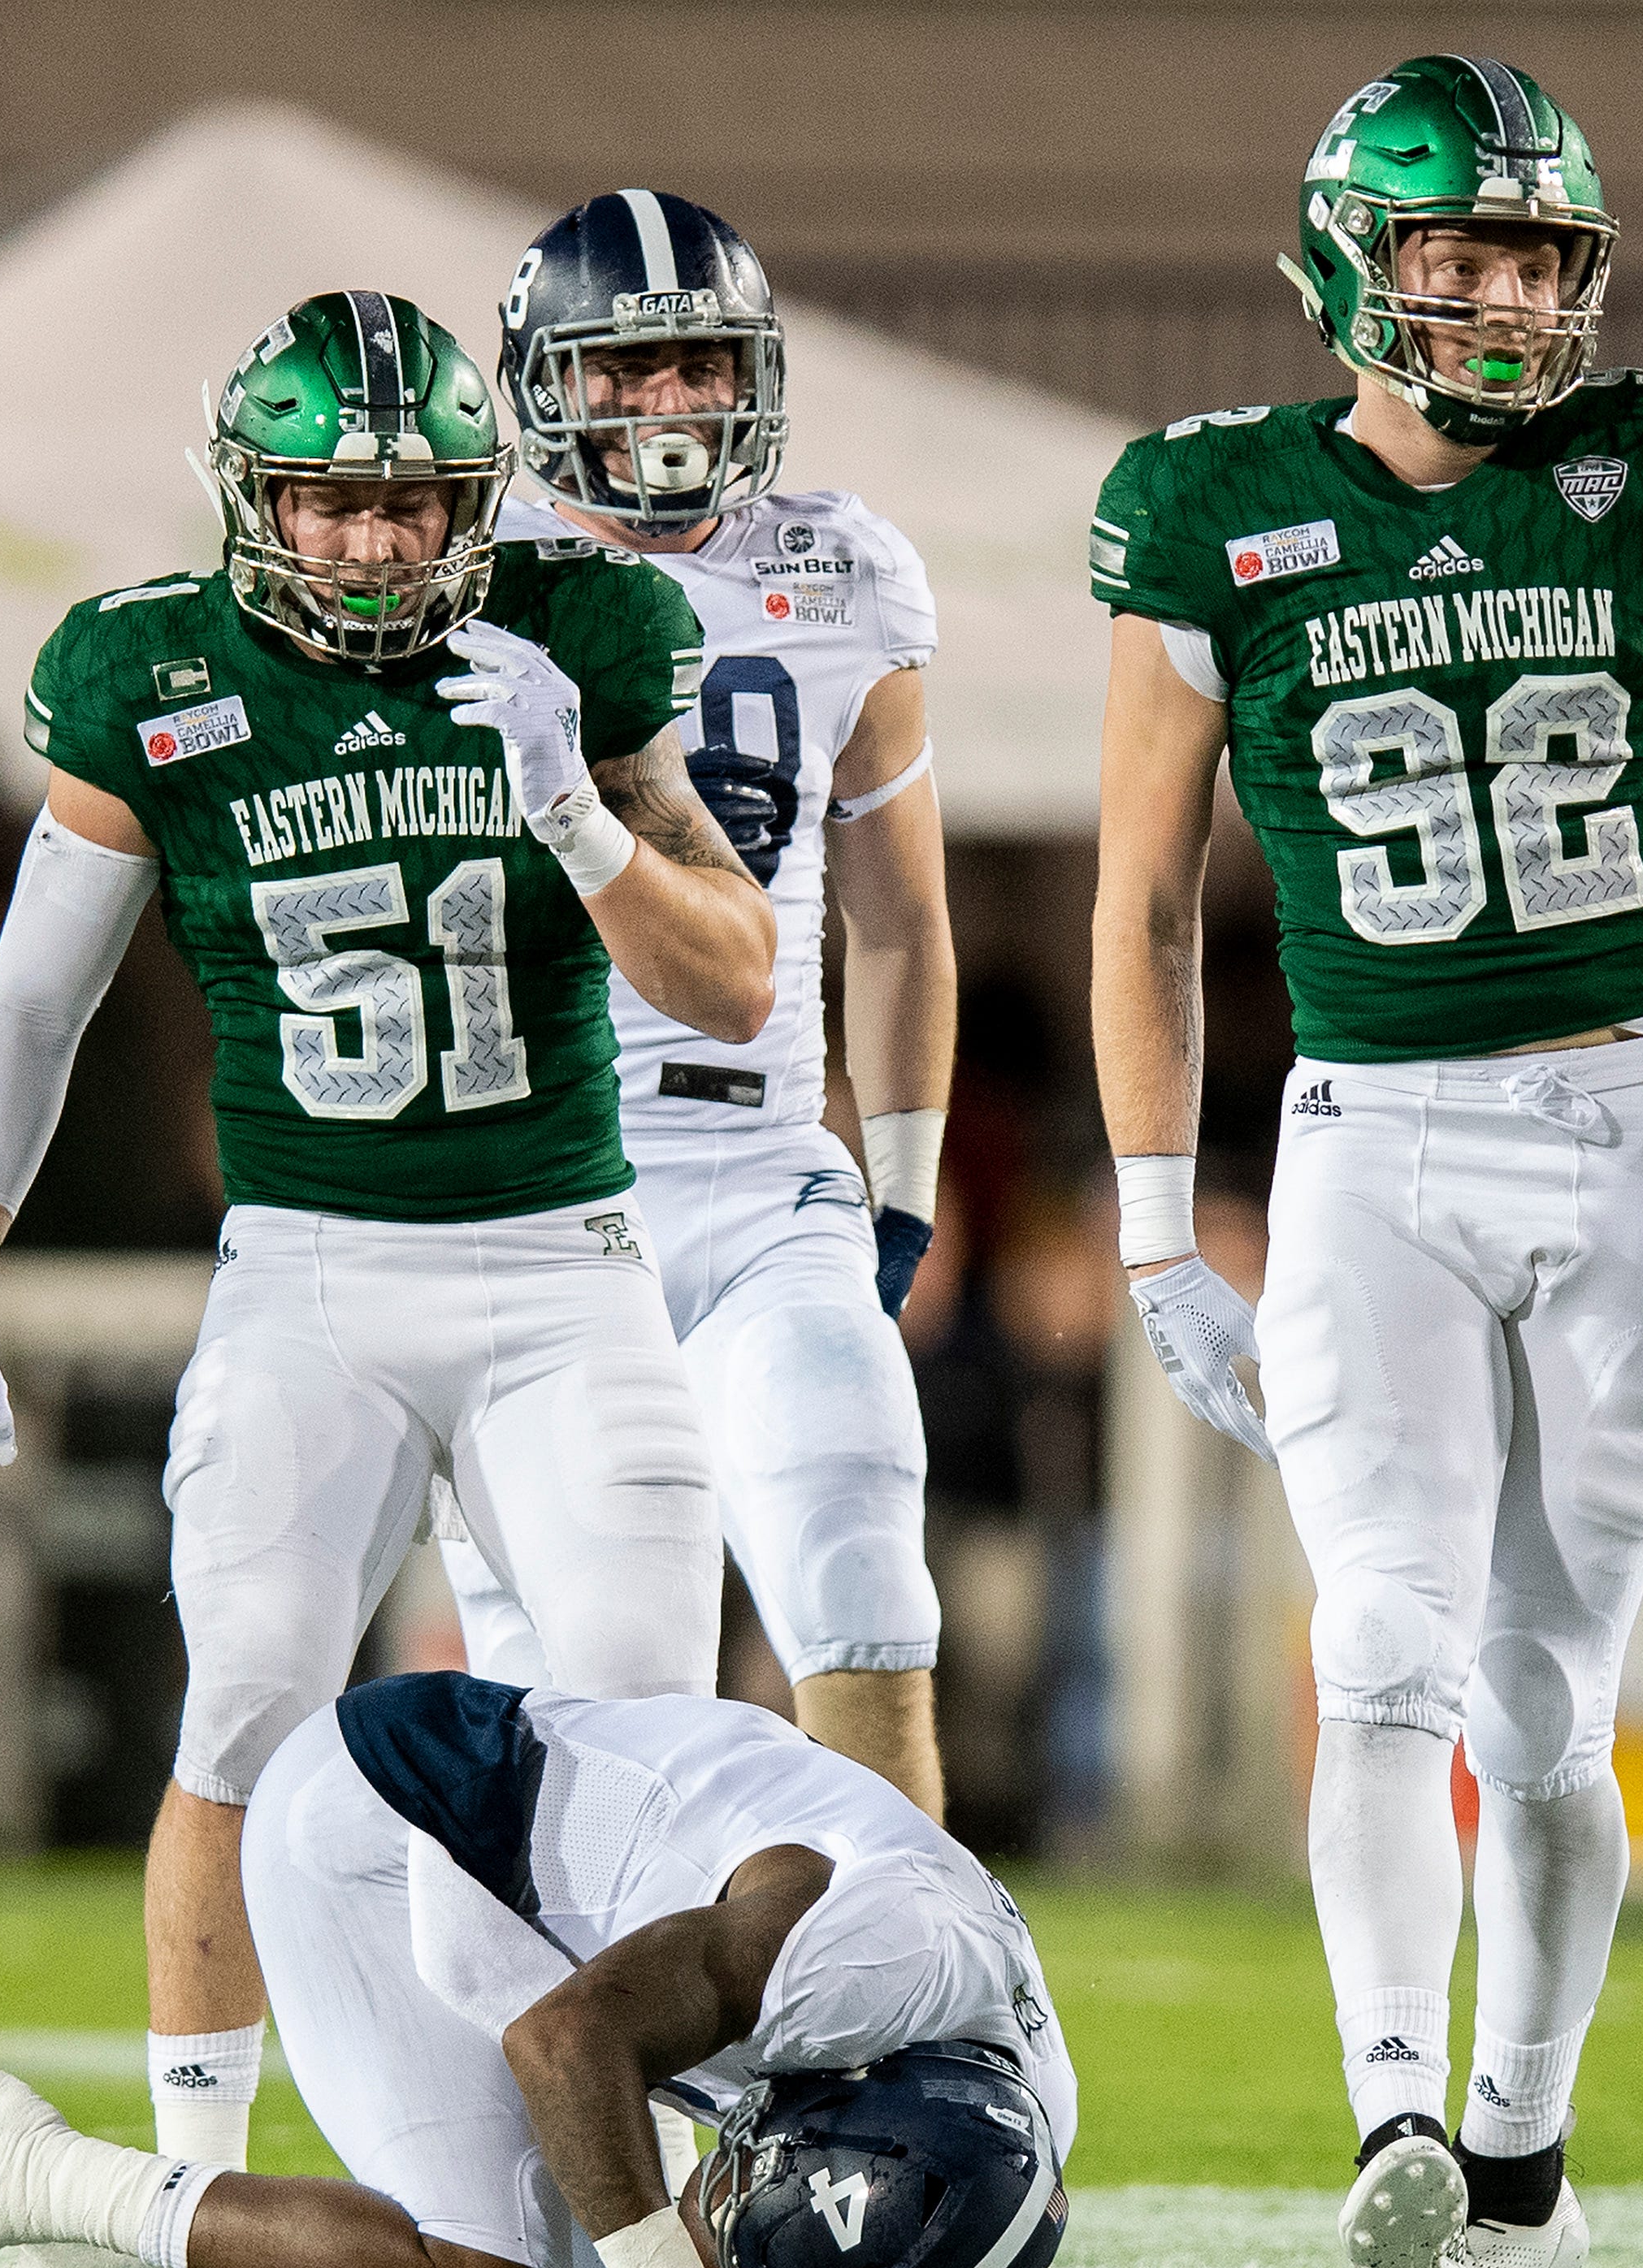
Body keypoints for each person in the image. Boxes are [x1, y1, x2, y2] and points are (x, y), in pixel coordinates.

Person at [1087, 55, 1643, 2268]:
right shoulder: (1206, 502)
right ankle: (1395, 2137)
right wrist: (1156, 1220)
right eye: (1462, 252)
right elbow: (1144, 905)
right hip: (1369, 1136)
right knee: (1383, 1647)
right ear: (1355, 259)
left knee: (1544, 1705)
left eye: (1542, 255)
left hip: (1638, 1127)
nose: (1512, 298)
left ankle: (1526, 2163)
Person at [0, 292, 775, 2268]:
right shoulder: (152, 672)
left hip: (567, 1268)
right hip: (312, 1273)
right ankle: (192, 2203)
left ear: (475, 499)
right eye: (333, 503)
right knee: (248, 1714)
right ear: (253, 496)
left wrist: (580, 807)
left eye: (411, 503)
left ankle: (687, 2194)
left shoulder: (577, 641)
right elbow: (32, 1003)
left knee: (640, 1743)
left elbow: (733, 984)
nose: (373, 543)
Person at [431, 190, 956, 1818]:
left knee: (862, 1563)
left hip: (758, 1173)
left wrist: (908, 1194)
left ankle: (915, 2040)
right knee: (574, 1697)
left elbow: (903, 921)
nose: (672, 406)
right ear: (541, 388)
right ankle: (600, 2057)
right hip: (531, 1196)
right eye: (628, 368)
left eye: (700, 363)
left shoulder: (842, 566)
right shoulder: (451, 577)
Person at [0, 1674, 1074, 2268]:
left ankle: (146, 2233)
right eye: (763, 2180)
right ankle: (17, 2170)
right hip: (401, 1827)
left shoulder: (1015, 2112)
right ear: (840, 2084)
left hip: (545, 1907)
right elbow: (569, 2041)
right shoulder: (843, 1960)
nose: (733, 2193)